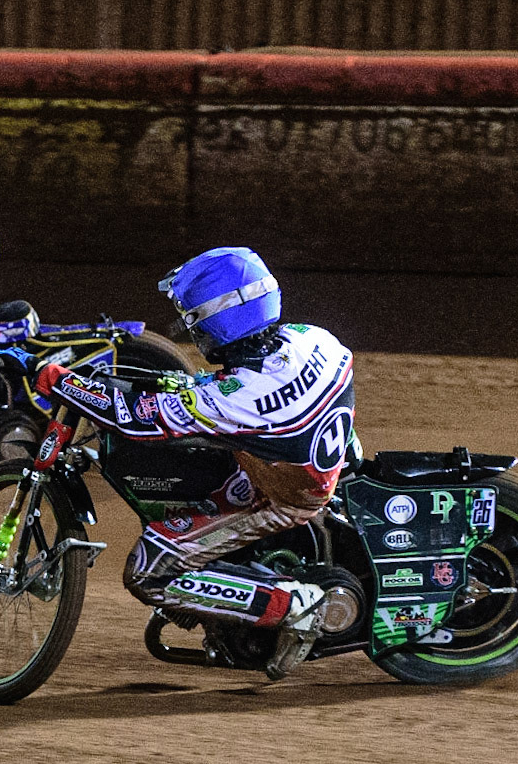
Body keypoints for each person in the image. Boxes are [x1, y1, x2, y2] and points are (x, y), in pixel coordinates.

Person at [35, 246, 353, 680]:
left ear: (219, 316)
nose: (189, 324)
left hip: (282, 496)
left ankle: (293, 606)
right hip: (318, 458)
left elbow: (134, 419)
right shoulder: (312, 338)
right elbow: (230, 389)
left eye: (192, 314)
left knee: (148, 572)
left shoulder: (240, 397)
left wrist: (62, 383)